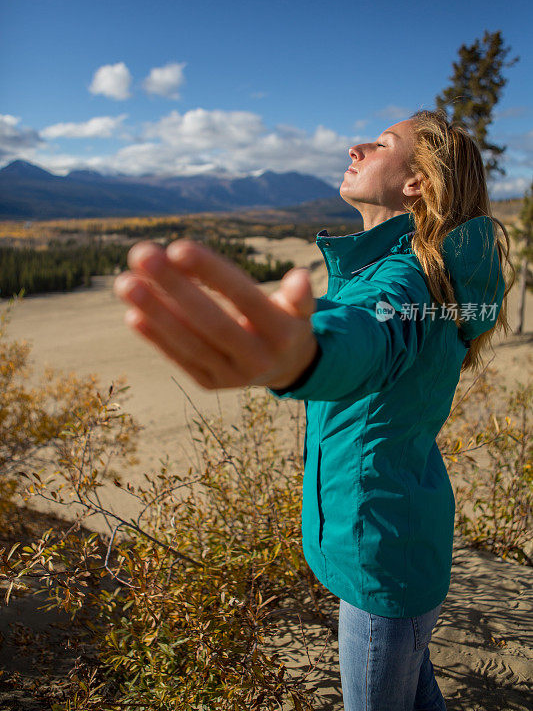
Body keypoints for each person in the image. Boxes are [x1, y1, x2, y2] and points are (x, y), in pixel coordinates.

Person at [113, 108, 514, 710]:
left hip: (382, 559)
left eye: (380, 144)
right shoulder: (405, 272)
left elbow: (365, 338)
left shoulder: (404, 281)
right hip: (397, 540)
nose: (355, 146)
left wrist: (303, 358)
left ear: (416, 183)